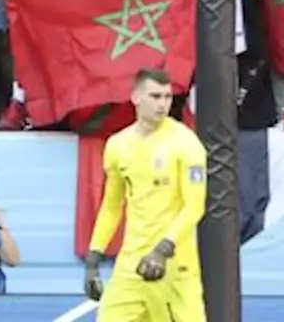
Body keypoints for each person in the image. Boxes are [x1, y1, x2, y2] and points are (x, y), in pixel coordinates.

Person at [84, 68, 207, 321]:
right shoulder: (117, 145)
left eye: (167, 97)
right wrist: (94, 257)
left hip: (175, 268)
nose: (162, 104)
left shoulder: (186, 143)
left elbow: (194, 206)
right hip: (132, 264)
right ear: (136, 97)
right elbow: (112, 206)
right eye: (155, 96)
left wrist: (164, 249)